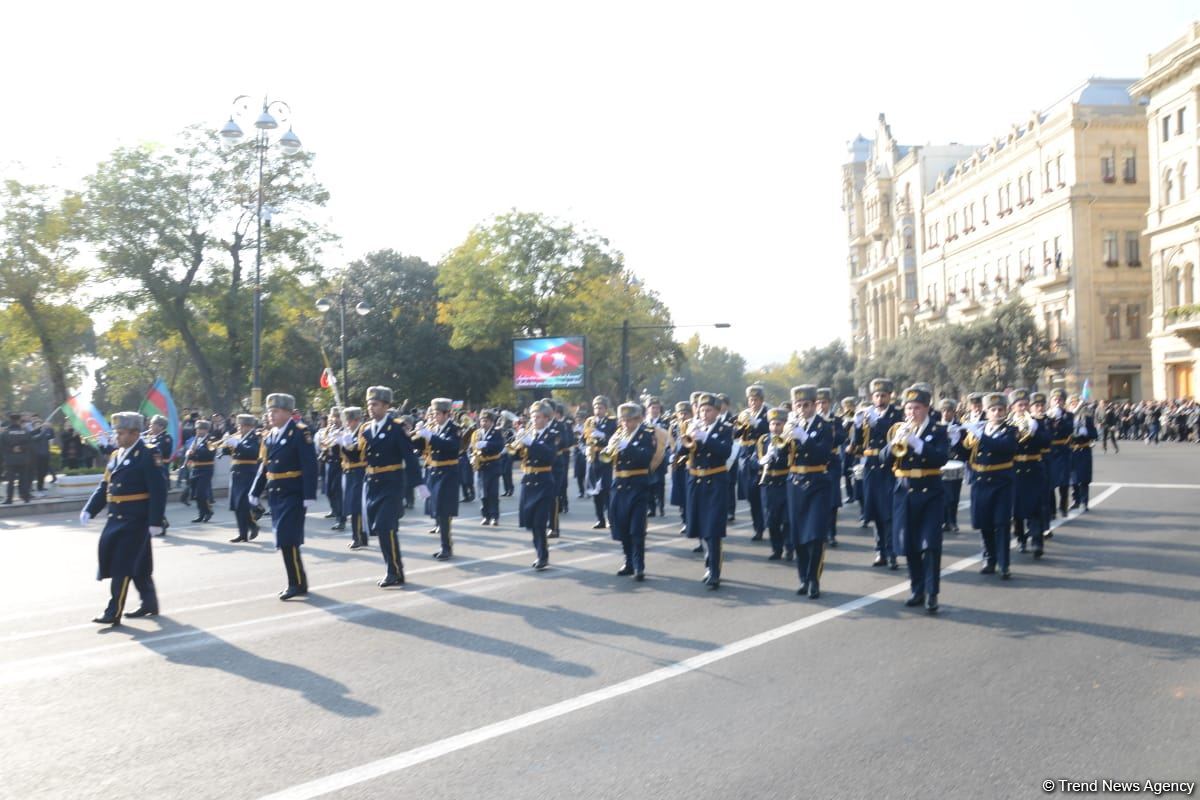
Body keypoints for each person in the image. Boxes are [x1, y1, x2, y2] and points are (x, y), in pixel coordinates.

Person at [80, 412, 166, 624]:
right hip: (116, 517)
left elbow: (159, 489)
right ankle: (149, 603)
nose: (117, 436)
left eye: (121, 432)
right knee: (139, 563)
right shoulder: (116, 455)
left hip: (136, 519)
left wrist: (155, 521)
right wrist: (90, 508)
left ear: (135, 433)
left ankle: (113, 611)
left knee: (122, 565)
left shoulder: (148, 453)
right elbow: (105, 485)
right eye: (116, 432)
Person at [883, 385, 950, 613]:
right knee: (910, 544)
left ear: (927, 409)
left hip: (930, 493)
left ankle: (932, 593)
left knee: (930, 545)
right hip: (904, 493)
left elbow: (941, 457)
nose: (912, 413)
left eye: (917, 408)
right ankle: (917, 589)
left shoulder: (938, 431)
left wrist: (918, 444)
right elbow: (884, 458)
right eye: (909, 408)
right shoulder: (899, 429)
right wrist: (894, 444)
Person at [249, 394, 319, 600]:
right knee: (284, 540)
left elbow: (309, 465)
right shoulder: (270, 435)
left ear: (288, 412)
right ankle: (298, 581)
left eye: (276, 411)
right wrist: (255, 490)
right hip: (276, 494)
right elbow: (265, 466)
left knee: (287, 537)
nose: (271, 415)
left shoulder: (299, 432)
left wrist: (309, 494)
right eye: (269, 411)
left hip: (293, 492)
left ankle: (296, 583)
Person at [358, 386, 425, 587]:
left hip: (391, 484)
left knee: (386, 527)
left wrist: (419, 483)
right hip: (372, 485)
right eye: (369, 404)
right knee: (380, 530)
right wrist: (345, 446)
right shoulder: (366, 429)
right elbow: (360, 457)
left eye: (375, 404)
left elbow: (410, 458)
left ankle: (394, 571)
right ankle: (395, 569)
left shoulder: (396, 428)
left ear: (386, 406)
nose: (371, 408)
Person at [781, 386, 832, 599]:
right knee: (799, 536)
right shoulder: (792, 426)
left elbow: (823, 454)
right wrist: (779, 446)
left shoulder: (824, 427)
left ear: (814, 405)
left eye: (806, 405)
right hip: (795, 483)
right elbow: (784, 453)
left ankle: (814, 579)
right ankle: (803, 578)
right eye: (798, 405)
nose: (802, 409)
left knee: (815, 535)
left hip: (817, 482)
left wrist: (804, 438)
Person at [682, 392, 734, 590]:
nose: (704, 414)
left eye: (708, 410)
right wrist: (687, 439)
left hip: (715, 481)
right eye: (702, 410)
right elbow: (681, 451)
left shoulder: (724, 429)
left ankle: (714, 571)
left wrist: (705, 438)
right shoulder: (694, 427)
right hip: (696, 481)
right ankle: (708, 563)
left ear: (717, 411)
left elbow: (725, 451)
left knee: (713, 529)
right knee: (701, 528)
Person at [962, 393, 1017, 579]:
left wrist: (981, 436)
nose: (997, 412)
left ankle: (1004, 563)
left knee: (1001, 523)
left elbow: (1005, 447)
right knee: (984, 522)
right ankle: (989, 558)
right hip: (980, 481)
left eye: (1000, 409)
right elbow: (965, 453)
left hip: (1002, 482)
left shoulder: (1010, 430)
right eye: (993, 409)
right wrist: (955, 440)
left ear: (1006, 410)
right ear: (986, 411)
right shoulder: (979, 428)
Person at [604, 402, 659, 580]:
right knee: (621, 525)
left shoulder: (647, 434)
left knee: (636, 529)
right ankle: (628, 561)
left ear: (638, 419)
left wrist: (628, 447)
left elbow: (646, 457)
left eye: (629, 420)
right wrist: (610, 448)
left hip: (638, 484)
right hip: (619, 484)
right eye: (623, 420)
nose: (625, 424)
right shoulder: (618, 434)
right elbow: (607, 458)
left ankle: (639, 565)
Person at [853, 378, 903, 569]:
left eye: (883, 395)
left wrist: (878, 423)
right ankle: (879, 551)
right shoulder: (867, 414)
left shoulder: (896, 414)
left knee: (888, 512)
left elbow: (895, 433)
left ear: (890, 396)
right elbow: (858, 444)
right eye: (876, 395)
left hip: (889, 467)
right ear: (872, 397)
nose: (880, 399)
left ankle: (891, 553)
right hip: (871, 467)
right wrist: (857, 426)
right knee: (873, 510)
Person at [413, 398, 461, 560]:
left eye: (437, 414)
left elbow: (451, 446)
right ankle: (444, 545)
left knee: (444, 511)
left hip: (448, 473)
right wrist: (417, 436)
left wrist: (430, 437)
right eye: (433, 414)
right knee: (437, 510)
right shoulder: (434, 428)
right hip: (434, 472)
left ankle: (446, 547)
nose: (434, 417)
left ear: (447, 414)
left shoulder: (454, 429)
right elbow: (421, 448)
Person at [514, 400, 559, 570]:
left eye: (538, 417)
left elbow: (550, 455)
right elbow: (517, 456)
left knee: (540, 522)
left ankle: (543, 555)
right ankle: (539, 552)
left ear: (546, 418)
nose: (534, 420)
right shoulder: (528, 433)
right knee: (531, 522)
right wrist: (515, 447)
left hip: (543, 480)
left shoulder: (552, 435)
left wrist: (531, 443)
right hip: (528, 481)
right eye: (533, 417)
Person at [1008, 390, 1051, 558]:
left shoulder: (1038, 422)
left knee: (1036, 507)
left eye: (1026, 404)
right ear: (1013, 407)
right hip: (1016, 469)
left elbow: (1047, 441)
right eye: (1020, 405)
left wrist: (1035, 432)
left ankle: (1037, 542)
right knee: (1017, 508)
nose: (1024, 407)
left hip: (1034, 467)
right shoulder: (1008, 423)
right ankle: (1020, 538)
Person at [735, 385, 770, 541]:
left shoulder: (767, 414)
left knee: (761, 494)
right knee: (750, 495)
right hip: (745, 457)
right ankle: (758, 527)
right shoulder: (744, 414)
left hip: (760, 454)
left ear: (761, 400)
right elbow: (735, 434)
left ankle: (765, 524)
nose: (753, 403)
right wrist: (740, 425)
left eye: (756, 400)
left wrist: (756, 423)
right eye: (750, 400)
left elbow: (770, 431)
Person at [757, 407, 792, 561]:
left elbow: (791, 461)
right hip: (769, 484)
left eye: (778, 424)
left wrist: (777, 457)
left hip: (784, 482)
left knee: (786, 519)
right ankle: (776, 549)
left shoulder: (790, 439)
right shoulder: (763, 440)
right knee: (772, 520)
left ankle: (789, 547)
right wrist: (762, 460)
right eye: (772, 424)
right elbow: (754, 459)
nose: (775, 427)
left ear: (785, 424)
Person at [221, 413, 263, 543]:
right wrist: (226, 443)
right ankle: (243, 534)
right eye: (239, 425)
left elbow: (252, 452)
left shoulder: (254, 437)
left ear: (248, 426)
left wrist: (237, 444)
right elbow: (227, 453)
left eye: (241, 426)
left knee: (243, 504)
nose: (238, 428)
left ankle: (252, 525)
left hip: (247, 474)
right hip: (236, 474)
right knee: (236, 506)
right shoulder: (241, 437)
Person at [816, 387, 845, 548]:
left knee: (832, 500)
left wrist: (831, 432)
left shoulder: (835, 420)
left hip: (832, 462)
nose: (821, 406)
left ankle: (831, 533)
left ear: (830, 403)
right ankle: (820, 532)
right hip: (817, 463)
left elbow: (842, 438)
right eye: (818, 402)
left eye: (824, 403)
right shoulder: (812, 421)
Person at [583, 395, 618, 529]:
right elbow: (583, 438)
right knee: (594, 491)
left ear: (606, 409)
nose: (598, 410)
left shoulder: (611, 422)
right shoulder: (590, 421)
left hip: (605, 457)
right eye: (596, 407)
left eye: (601, 407)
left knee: (606, 490)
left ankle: (611, 518)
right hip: (592, 458)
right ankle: (600, 519)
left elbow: (616, 438)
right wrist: (584, 447)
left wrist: (602, 435)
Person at [336, 407, 368, 549]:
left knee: (356, 507)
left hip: (359, 471)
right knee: (352, 505)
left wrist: (347, 446)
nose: (347, 423)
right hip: (349, 472)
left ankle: (358, 537)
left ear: (356, 420)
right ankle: (362, 536)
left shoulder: (362, 432)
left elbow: (357, 455)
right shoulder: (349, 432)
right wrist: (340, 444)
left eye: (349, 420)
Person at [471, 409, 505, 526]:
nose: (483, 423)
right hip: (481, 467)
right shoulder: (477, 433)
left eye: (486, 421)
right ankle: (485, 516)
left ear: (491, 422)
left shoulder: (496, 433)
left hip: (493, 466)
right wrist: (472, 456)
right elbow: (472, 447)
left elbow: (500, 446)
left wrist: (486, 444)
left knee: (493, 493)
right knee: (483, 494)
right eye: (482, 421)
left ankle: (495, 517)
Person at [1045, 388, 1074, 518]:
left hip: (1063, 450)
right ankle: (1051, 510)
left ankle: (1063, 506)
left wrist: (1060, 419)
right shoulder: (1045, 416)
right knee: (1050, 483)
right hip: (1050, 452)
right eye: (1054, 399)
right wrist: (1050, 419)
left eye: (1060, 400)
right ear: (1050, 401)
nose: (1057, 402)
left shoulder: (1068, 415)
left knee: (1064, 482)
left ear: (1063, 402)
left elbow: (1069, 429)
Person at [939, 399, 965, 533]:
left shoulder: (960, 426)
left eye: (949, 411)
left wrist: (958, 437)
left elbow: (965, 447)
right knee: (943, 493)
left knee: (954, 495)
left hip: (957, 463)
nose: (945, 414)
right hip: (942, 464)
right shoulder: (936, 426)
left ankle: (953, 521)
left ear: (954, 412)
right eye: (943, 411)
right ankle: (944, 521)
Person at [184, 419, 217, 523]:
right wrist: (188, 454)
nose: (199, 431)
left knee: (201, 493)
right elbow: (192, 454)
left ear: (207, 430)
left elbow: (209, 453)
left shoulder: (211, 439)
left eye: (202, 429)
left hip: (206, 468)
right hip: (195, 468)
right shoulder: (195, 440)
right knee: (196, 494)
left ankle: (208, 511)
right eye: (198, 429)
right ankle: (201, 514)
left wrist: (194, 452)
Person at [1069, 397, 1098, 511]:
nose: (1075, 406)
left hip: (1084, 449)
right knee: (1073, 478)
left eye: (1076, 403)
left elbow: (1095, 434)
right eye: (1072, 403)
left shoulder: (1087, 419)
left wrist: (1086, 432)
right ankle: (1075, 500)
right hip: (1072, 450)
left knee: (1084, 478)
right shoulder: (1068, 419)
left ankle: (1084, 502)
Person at [669, 401, 693, 536]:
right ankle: (684, 520)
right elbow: (670, 442)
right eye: (680, 413)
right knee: (680, 494)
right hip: (677, 463)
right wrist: (671, 455)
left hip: (690, 463)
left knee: (689, 494)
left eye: (686, 413)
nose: (683, 416)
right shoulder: (673, 426)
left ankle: (690, 521)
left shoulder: (693, 425)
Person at [319, 407, 346, 530]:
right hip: (329, 462)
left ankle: (341, 519)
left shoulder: (345, 430)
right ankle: (335, 510)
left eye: (337, 417)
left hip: (340, 463)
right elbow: (323, 443)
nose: (335, 419)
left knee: (338, 491)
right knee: (329, 490)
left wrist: (340, 438)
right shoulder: (329, 429)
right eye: (333, 417)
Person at [645, 397, 669, 518]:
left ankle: (661, 506)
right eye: (652, 407)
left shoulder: (665, 421)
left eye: (657, 408)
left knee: (660, 483)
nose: (655, 410)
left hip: (660, 456)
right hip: (648, 456)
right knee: (648, 484)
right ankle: (651, 508)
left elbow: (670, 437)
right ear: (648, 409)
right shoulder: (643, 423)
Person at [2, 412, 32, 504]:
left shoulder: (5, 432)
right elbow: (30, 444)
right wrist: (21, 448)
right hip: (23, 459)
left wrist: (11, 449)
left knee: (10, 480)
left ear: (10, 420)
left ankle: (9, 499)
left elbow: (2, 446)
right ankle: (25, 497)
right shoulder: (25, 431)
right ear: (19, 420)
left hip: (10, 460)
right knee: (23, 479)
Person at [30, 416, 55, 495]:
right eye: (37, 425)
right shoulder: (32, 434)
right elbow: (37, 438)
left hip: (45, 455)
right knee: (38, 472)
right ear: (34, 427)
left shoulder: (45, 432)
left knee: (44, 472)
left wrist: (49, 428)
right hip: (37, 457)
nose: (39, 426)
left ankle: (41, 487)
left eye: (39, 424)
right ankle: (37, 488)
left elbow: (51, 437)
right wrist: (43, 430)